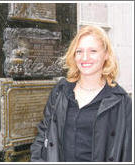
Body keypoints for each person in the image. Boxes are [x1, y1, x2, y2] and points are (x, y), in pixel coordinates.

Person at [30, 25, 132, 162]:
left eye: (93, 51)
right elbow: (43, 133)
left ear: (106, 55)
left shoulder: (120, 101)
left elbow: (127, 151)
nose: (85, 58)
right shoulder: (60, 91)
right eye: (79, 51)